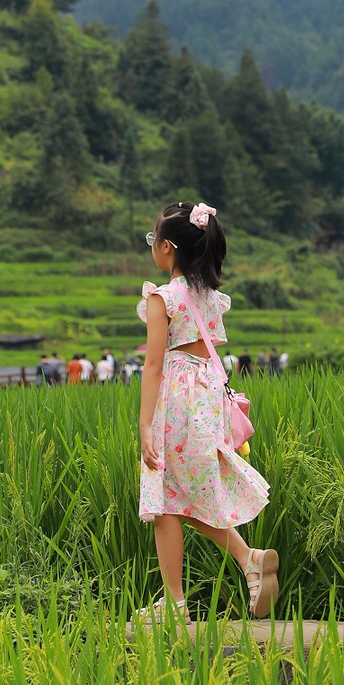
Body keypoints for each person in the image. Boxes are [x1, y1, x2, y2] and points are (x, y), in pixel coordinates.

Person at [136, 201, 277, 624]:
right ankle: (246, 560)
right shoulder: (210, 297)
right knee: (183, 497)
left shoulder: (163, 298)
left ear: (166, 247)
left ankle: (176, 604)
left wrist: (145, 424)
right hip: (207, 397)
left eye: (152, 240)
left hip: (176, 398)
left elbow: (154, 365)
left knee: (164, 500)